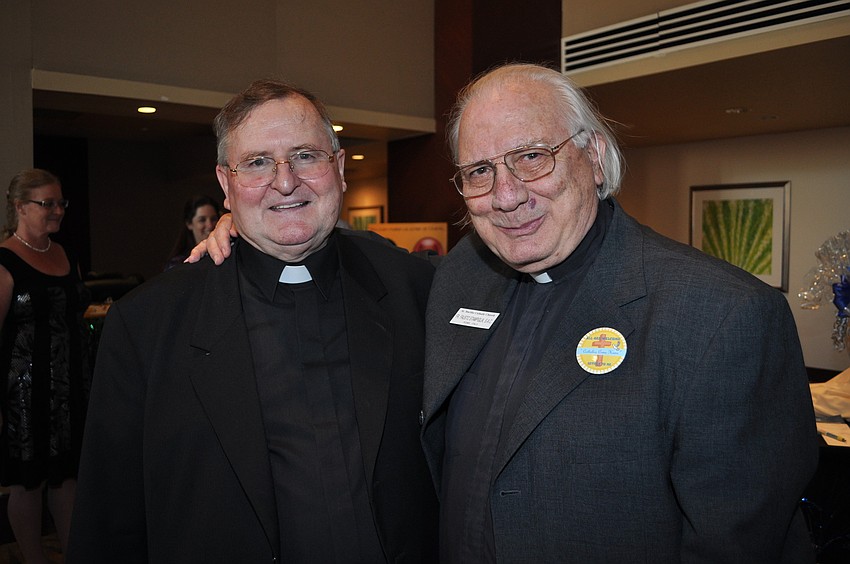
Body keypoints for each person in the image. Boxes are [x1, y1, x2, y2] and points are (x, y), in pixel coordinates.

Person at [418, 63, 818, 562]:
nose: (506, 196)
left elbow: (735, 544)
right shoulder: (459, 278)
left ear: (595, 157)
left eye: (532, 157)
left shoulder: (722, 316)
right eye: (480, 171)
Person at [67, 80, 438, 563]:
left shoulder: (416, 290)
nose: (285, 182)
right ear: (226, 185)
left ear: (340, 168)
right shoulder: (147, 326)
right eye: (258, 162)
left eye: (305, 156)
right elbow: (109, 521)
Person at [0, 168, 91, 563]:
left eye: (61, 203)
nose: (58, 210)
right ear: (20, 207)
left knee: (67, 477)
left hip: (70, 389)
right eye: (47, 203)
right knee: (28, 483)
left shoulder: (66, 254)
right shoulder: (5, 261)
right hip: (24, 395)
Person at [163, 194, 221, 270]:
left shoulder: (227, 253)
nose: (210, 225)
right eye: (202, 220)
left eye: (213, 219)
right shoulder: (177, 264)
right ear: (189, 224)